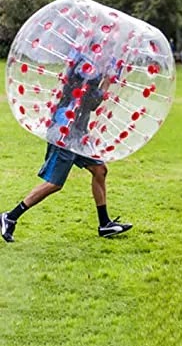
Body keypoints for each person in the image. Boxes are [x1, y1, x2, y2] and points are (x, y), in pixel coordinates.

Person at [0, 45, 133, 243]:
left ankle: (104, 224)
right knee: (54, 183)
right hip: (65, 129)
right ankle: (9, 217)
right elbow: (91, 101)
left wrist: (108, 74)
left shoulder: (90, 63)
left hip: (78, 132)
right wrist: (107, 80)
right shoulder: (84, 67)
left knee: (100, 170)